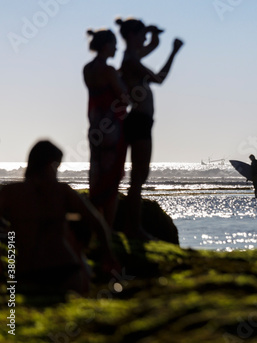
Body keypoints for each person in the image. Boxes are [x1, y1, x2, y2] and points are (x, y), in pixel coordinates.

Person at [0, 140, 119, 295]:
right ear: (49, 164)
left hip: (27, 272)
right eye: (57, 167)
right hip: (65, 271)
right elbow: (97, 222)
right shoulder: (62, 191)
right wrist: (107, 254)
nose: (56, 172)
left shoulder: (10, 193)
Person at [116, 17, 183, 239]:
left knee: (139, 175)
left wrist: (155, 35)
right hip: (139, 120)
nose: (145, 39)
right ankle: (133, 228)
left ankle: (132, 226)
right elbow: (160, 78)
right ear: (133, 36)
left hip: (142, 120)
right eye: (142, 35)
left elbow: (152, 45)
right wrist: (173, 52)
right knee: (138, 176)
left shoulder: (133, 56)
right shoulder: (131, 61)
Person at [83, 28, 128, 228]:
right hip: (113, 128)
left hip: (95, 126)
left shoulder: (88, 69)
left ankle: (96, 225)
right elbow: (123, 97)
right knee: (113, 177)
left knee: (97, 174)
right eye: (114, 44)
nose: (117, 48)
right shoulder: (109, 71)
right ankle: (108, 227)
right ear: (106, 45)